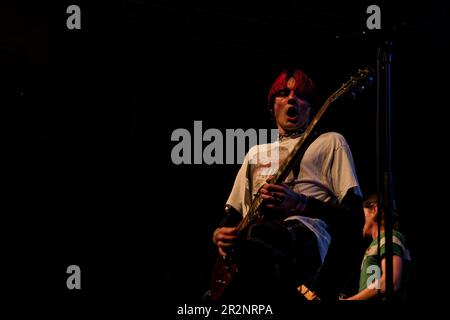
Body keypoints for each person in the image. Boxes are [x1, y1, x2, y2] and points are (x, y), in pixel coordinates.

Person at [211, 68, 365, 304]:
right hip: (255, 245)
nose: (292, 98)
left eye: (301, 95)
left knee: (261, 235)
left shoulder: (330, 142)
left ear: (311, 107)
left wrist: (300, 202)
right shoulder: (256, 154)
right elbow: (233, 214)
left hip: (305, 240)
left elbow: (353, 217)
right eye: (283, 93)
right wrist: (220, 234)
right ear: (273, 106)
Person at [342, 193, 411, 300]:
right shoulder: (376, 244)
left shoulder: (390, 236)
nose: (359, 219)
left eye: (361, 213)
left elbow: (391, 282)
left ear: (374, 210)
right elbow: (375, 286)